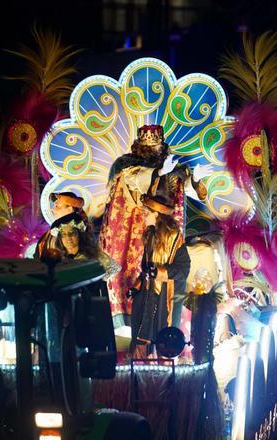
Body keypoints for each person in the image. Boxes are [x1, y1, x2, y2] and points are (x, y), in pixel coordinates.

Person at [99, 124, 209, 326]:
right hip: (135, 230)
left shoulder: (173, 168)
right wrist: (157, 173)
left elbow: (184, 189)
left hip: (164, 232)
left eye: (156, 147)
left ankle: (163, 323)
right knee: (136, 270)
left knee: (164, 273)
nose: (152, 151)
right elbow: (135, 180)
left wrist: (194, 179)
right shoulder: (126, 166)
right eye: (148, 148)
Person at [129, 194, 190, 356]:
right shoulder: (150, 236)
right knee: (142, 327)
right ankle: (142, 369)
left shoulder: (175, 238)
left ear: (156, 214)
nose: (144, 216)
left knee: (163, 335)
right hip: (148, 292)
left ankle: (161, 372)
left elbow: (183, 269)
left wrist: (160, 272)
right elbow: (145, 269)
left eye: (146, 213)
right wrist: (136, 287)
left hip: (167, 294)